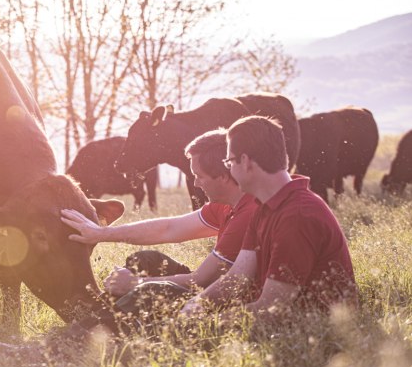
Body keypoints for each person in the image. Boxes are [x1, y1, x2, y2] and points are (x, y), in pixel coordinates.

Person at [180, 116, 357, 318]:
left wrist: (203, 324)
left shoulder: (297, 216)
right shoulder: (264, 206)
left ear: (245, 162)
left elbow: (271, 308)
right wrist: (195, 306)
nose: (228, 169)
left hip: (311, 332)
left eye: (229, 161)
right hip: (279, 322)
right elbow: (238, 277)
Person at [60, 129, 257, 308]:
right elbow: (169, 227)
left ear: (223, 176)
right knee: (145, 260)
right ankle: (106, 310)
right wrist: (101, 233)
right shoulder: (225, 204)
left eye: (199, 176)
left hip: (226, 298)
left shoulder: (247, 214)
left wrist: (134, 284)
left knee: (148, 291)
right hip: (209, 284)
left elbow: (202, 280)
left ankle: (96, 327)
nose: (195, 183)